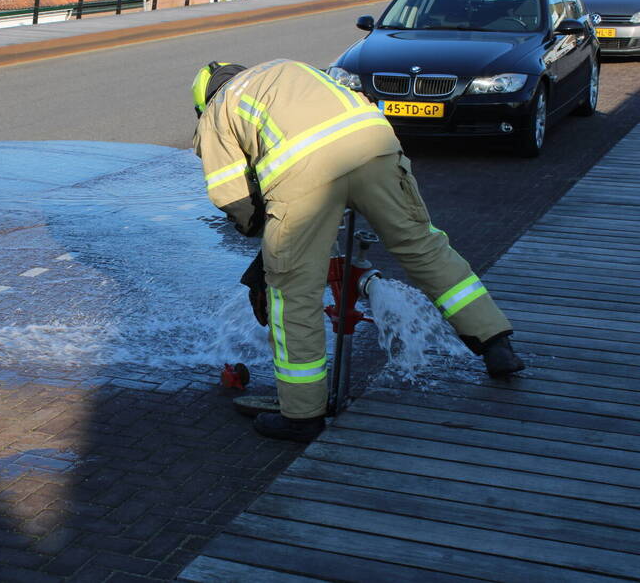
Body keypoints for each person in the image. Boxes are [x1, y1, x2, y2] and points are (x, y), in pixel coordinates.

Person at [191, 60, 525, 443]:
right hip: (376, 146)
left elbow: (229, 191)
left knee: (293, 293)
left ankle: (301, 414)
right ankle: (496, 344)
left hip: (304, 175)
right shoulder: (290, 69)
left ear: (204, 99)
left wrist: (259, 227)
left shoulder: (218, 110)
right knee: (423, 246)